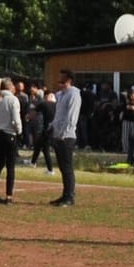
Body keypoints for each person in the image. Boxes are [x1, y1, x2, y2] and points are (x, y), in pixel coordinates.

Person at [48, 68, 81, 206]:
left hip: (66, 136)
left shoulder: (73, 94)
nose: (59, 82)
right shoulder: (60, 95)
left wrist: (62, 134)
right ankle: (64, 195)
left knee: (67, 168)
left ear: (69, 81)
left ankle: (70, 197)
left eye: (62, 80)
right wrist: (52, 128)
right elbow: (58, 115)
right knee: (62, 167)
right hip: (57, 135)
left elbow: (71, 118)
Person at [0, 77, 21, 202]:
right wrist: (19, 131)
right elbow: (16, 120)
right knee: (10, 166)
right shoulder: (13, 99)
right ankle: (9, 195)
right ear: (10, 87)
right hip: (9, 134)